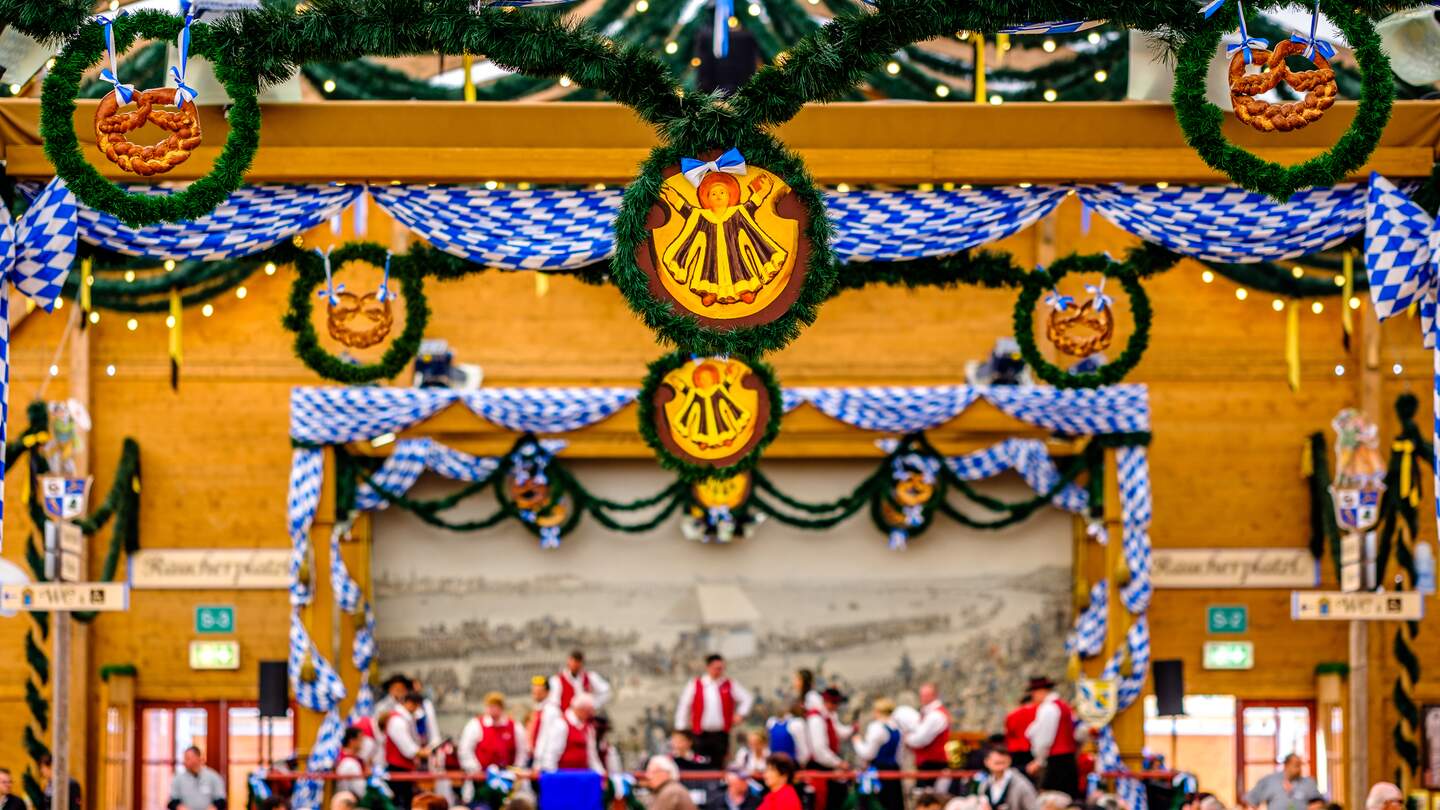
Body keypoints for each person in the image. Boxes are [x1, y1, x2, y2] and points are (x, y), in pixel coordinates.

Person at [676, 654, 756, 765]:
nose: (719, 671)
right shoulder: (696, 684)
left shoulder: (729, 684)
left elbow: (747, 698)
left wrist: (740, 714)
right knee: (699, 762)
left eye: (721, 668)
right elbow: (684, 705)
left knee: (719, 763)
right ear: (708, 667)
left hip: (720, 734)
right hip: (700, 734)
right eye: (716, 668)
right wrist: (681, 728)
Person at [1023, 677, 1081, 800]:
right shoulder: (1064, 706)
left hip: (1056, 761)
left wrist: (1039, 760)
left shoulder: (1048, 708)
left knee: (1051, 799)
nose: (1033, 697)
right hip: (1067, 758)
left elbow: (1044, 738)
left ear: (1041, 691)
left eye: (1033, 693)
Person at [460, 691, 525, 782]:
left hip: (508, 778)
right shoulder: (475, 725)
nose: (493, 709)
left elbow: (522, 751)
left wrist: (516, 769)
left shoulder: (514, 726)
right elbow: (465, 750)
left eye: (496, 706)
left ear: (502, 708)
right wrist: (476, 770)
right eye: (491, 706)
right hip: (482, 778)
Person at [806, 687, 853, 810]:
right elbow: (819, 750)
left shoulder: (830, 716)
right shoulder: (816, 719)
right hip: (820, 767)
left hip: (829, 765)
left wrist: (852, 729)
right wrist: (839, 763)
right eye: (834, 703)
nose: (836, 707)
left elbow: (839, 731)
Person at [852, 697, 904, 810]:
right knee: (893, 803)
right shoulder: (897, 728)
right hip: (894, 770)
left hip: (878, 772)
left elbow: (868, 754)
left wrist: (857, 742)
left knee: (877, 803)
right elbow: (899, 755)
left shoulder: (877, 727)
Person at [533, 693, 604, 773]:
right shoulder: (561, 724)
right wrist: (553, 777)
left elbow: (592, 755)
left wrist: (600, 773)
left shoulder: (588, 728)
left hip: (582, 775)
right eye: (589, 711)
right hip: (564, 775)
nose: (591, 714)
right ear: (581, 709)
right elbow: (551, 754)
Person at [385, 691, 433, 808]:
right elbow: (408, 749)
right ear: (410, 704)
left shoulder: (404, 719)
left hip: (405, 768)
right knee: (402, 802)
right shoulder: (398, 721)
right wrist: (423, 753)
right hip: (398, 768)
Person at [907, 683, 952, 789]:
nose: (923, 698)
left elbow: (921, 739)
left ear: (934, 695)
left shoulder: (935, 715)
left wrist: (907, 739)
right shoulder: (927, 712)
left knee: (928, 796)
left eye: (926, 695)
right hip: (926, 762)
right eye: (922, 695)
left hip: (933, 762)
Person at [1241, 756, 1325, 810]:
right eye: (1296, 765)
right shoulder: (1270, 780)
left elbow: (1319, 804)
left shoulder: (1308, 782)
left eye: (1300, 765)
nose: (1299, 769)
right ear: (1286, 765)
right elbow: (1251, 799)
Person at [974, 746, 1040, 810]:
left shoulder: (1021, 785)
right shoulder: (985, 784)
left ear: (1009, 760)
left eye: (1002, 762)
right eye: (997, 762)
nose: (1000, 765)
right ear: (986, 762)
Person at [525, 676, 561, 768]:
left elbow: (548, 737)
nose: (536, 694)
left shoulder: (551, 710)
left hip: (542, 759)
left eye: (539, 691)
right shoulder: (537, 709)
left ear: (547, 692)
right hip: (532, 756)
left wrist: (542, 760)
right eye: (534, 691)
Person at [766, 702, 811, 770]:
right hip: (782, 765)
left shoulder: (772, 723)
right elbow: (803, 750)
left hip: (784, 764)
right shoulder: (771, 722)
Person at [1004, 695, 1036, 775]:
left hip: (1016, 749)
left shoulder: (1012, 715)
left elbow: (1009, 732)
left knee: (1017, 773)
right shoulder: (1038, 711)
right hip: (1032, 748)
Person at [335, 727, 370, 798]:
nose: (362, 743)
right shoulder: (348, 762)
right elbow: (361, 790)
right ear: (352, 741)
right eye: (360, 740)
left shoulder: (357, 758)